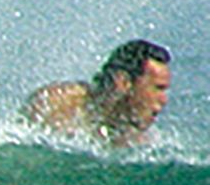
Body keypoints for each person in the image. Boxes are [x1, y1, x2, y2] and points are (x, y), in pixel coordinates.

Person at [24, 40, 172, 147]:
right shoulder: (57, 104)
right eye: (158, 88)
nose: (164, 99)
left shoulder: (137, 140)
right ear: (123, 82)